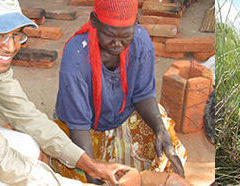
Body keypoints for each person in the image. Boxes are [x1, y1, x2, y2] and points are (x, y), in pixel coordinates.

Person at [0, 0, 135, 185]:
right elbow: (0, 159)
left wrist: (89, 164)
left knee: (28, 146)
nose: (11, 47)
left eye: (17, 34)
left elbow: (27, 116)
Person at [53, 0, 184, 182]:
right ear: (94, 21)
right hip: (83, 128)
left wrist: (160, 129)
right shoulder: (76, 55)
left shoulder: (141, 42)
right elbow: (78, 122)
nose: (117, 44)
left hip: (123, 116)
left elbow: (143, 94)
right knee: (73, 174)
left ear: (136, 22)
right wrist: (92, 170)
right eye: (109, 35)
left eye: (125, 37)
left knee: (166, 140)